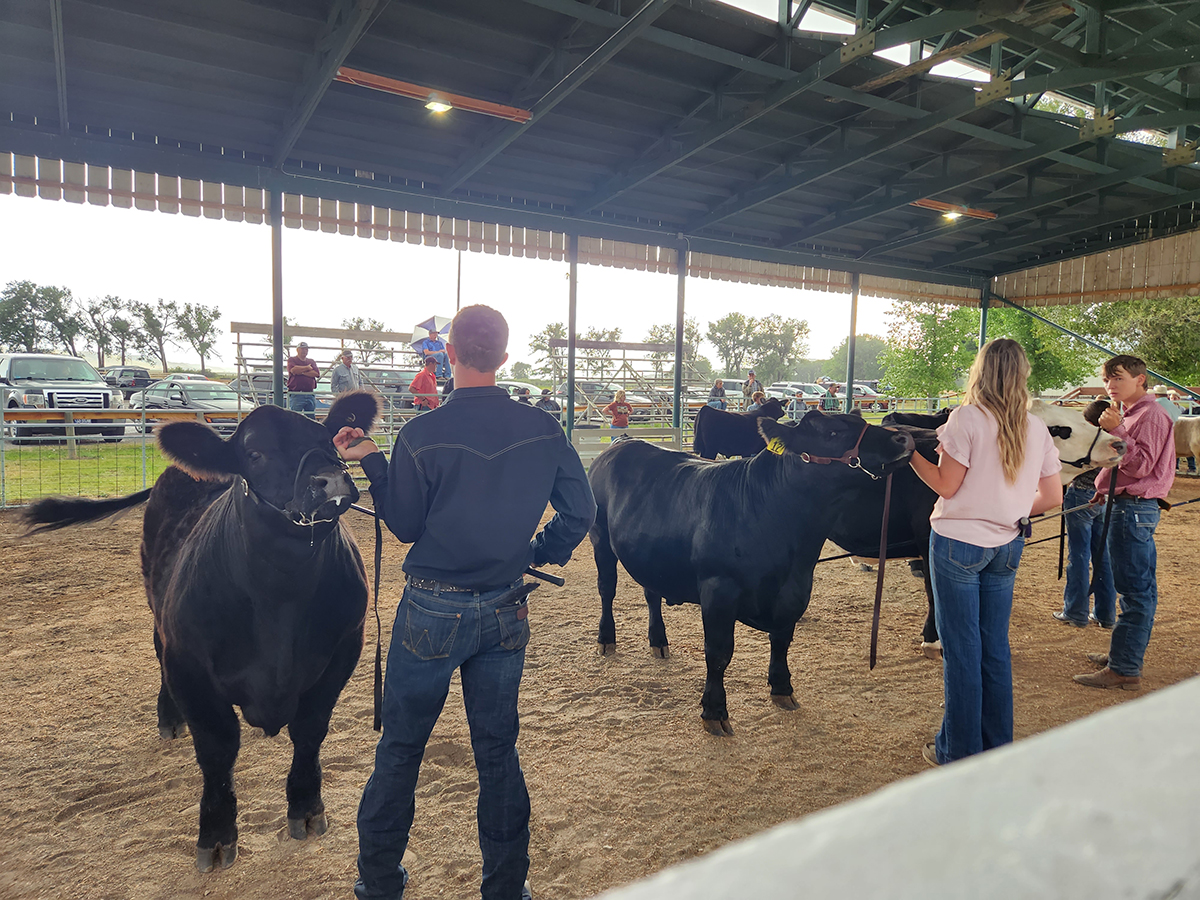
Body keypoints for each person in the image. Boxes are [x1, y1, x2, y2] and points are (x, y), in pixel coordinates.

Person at [334, 304, 596, 900]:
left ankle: (379, 884)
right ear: (504, 357)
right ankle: (505, 889)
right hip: (505, 606)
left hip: (431, 607)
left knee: (401, 749)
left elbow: (402, 524)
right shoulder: (543, 428)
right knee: (498, 753)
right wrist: (539, 552)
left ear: (448, 354)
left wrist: (372, 458)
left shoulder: (421, 433)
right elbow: (581, 511)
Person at [908, 338, 1062, 766]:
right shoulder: (1035, 427)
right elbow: (1052, 496)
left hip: (958, 542)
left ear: (981, 371)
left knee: (961, 651)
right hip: (1007, 545)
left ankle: (957, 752)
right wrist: (1007, 510)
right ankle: (997, 747)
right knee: (994, 647)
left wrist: (910, 457)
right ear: (1022, 373)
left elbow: (945, 485)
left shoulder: (966, 419)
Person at [1074, 355, 1176, 691]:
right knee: (1139, 588)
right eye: (1106, 379)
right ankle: (1125, 653)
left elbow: (1141, 466)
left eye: (1117, 378)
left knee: (1134, 591)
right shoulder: (1132, 415)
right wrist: (1106, 489)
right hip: (1127, 506)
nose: (1110, 385)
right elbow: (1123, 465)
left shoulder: (1149, 415)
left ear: (1140, 379)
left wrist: (1116, 431)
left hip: (1133, 510)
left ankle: (1124, 667)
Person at [1052, 465, 1116, 629]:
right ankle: (1106, 613)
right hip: (1106, 494)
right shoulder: (1116, 440)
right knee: (1103, 555)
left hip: (1082, 492)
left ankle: (1076, 612)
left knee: (1079, 555)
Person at [286, 341, 320, 416]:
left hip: (309, 393)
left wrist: (301, 372)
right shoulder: (292, 360)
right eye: (302, 349)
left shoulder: (311, 361)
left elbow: (316, 373)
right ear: (297, 350)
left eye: (306, 349)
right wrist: (307, 368)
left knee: (311, 417)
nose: (304, 351)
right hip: (296, 393)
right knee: (295, 416)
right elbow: (293, 370)